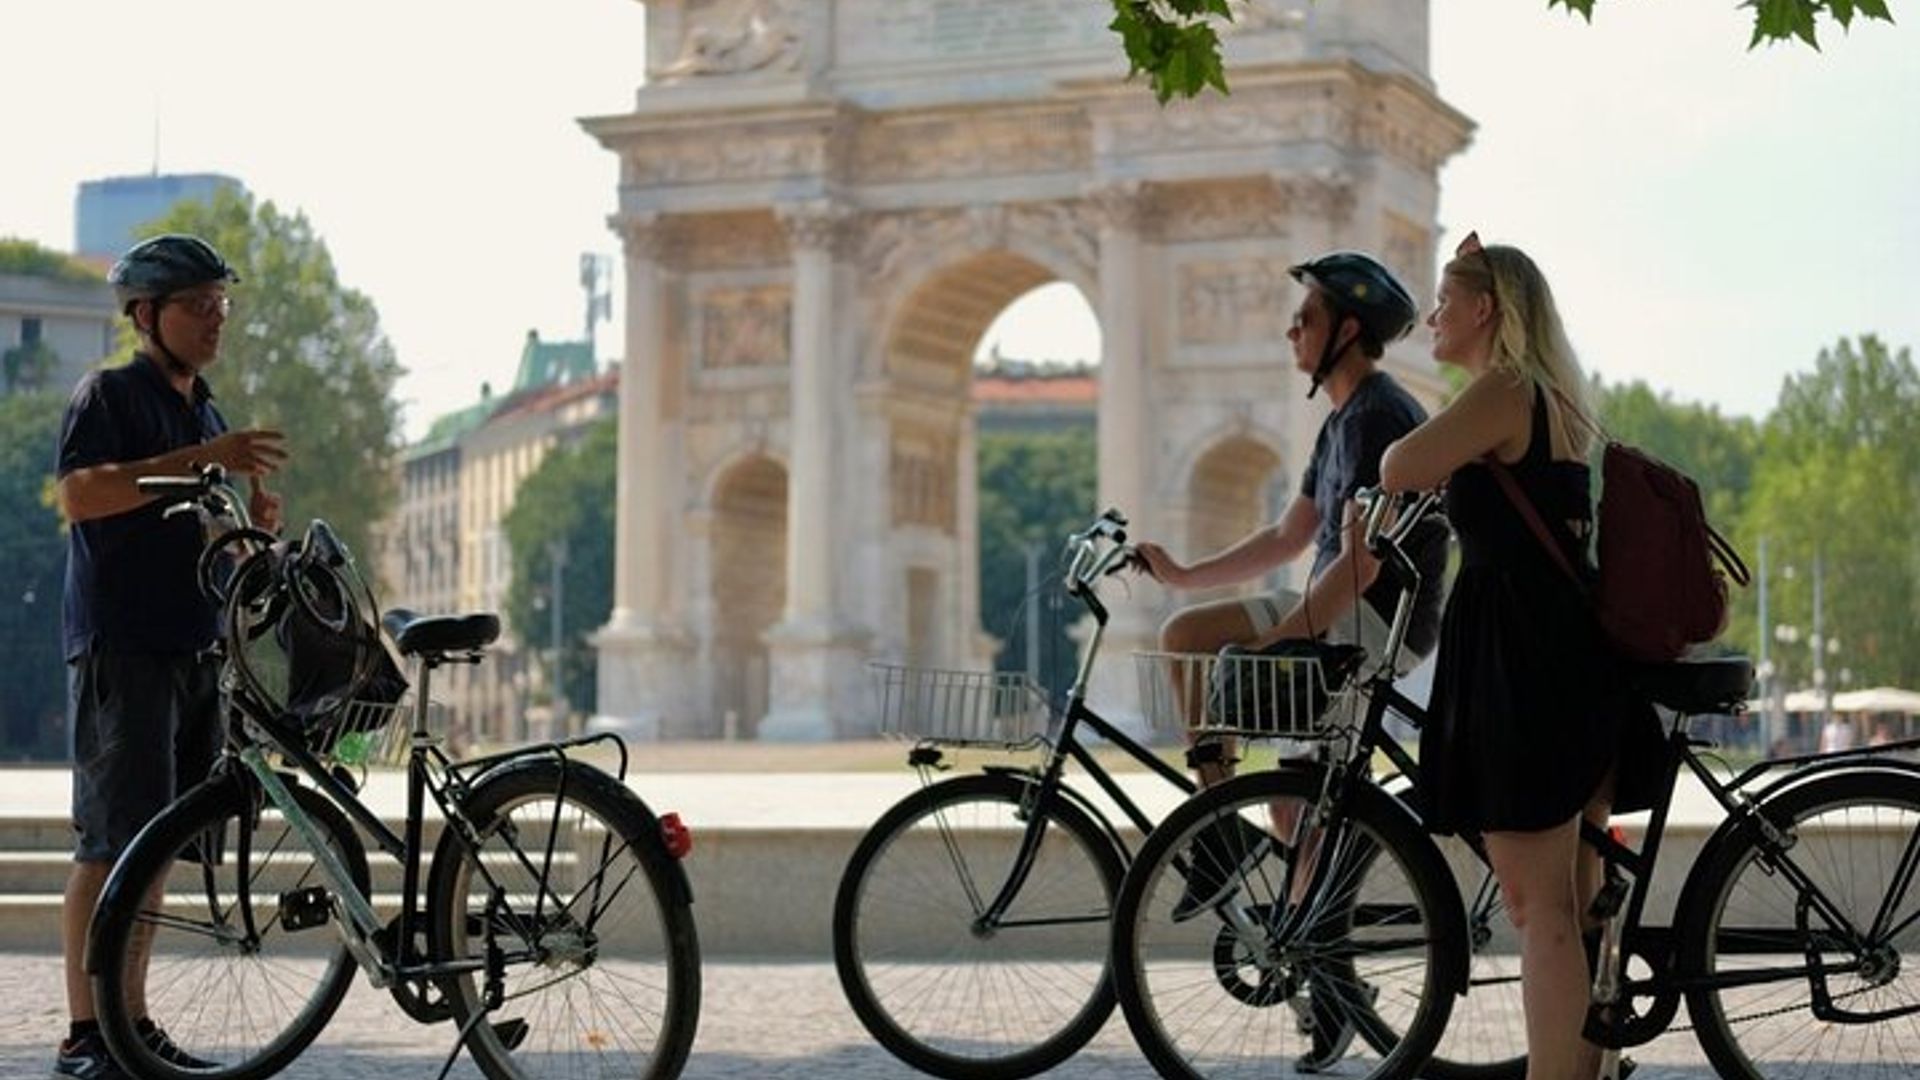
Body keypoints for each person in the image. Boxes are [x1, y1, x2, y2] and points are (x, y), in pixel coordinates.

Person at [1131, 250, 1448, 1072]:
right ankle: (1329, 977)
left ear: (1347, 330)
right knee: (1293, 809)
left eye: (1305, 318)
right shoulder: (1343, 419)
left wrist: (1286, 631)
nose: (1290, 331)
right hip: (1346, 613)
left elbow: (1362, 562)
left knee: (1186, 640)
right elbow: (1288, 536)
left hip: (1367, 619)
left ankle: (1215, 833)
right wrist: (1184, 574)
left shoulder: (1379, 415)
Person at [1380, 232, 1663, 1080]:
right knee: (1571, 902)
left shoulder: (1503, 389)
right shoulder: (1550, 394)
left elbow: (1399, 465)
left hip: (1524, 667)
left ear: (1485, 309)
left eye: (1444, 300)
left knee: (1538, 908)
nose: (1431, 316)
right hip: (1566, 659)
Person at [53, 234, 287, 1079]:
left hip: (195, 649)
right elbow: (80, 495)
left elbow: (206, 529)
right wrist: (203, 461)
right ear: (146, 315)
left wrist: (253, 535)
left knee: (156, 848)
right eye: (197, 306)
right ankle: (86, 1035)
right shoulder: (110, 394)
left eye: (221, 305)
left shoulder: (208, 414)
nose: (215, 319)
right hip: (123, 647)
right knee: (107, 845)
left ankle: (131, 1022)